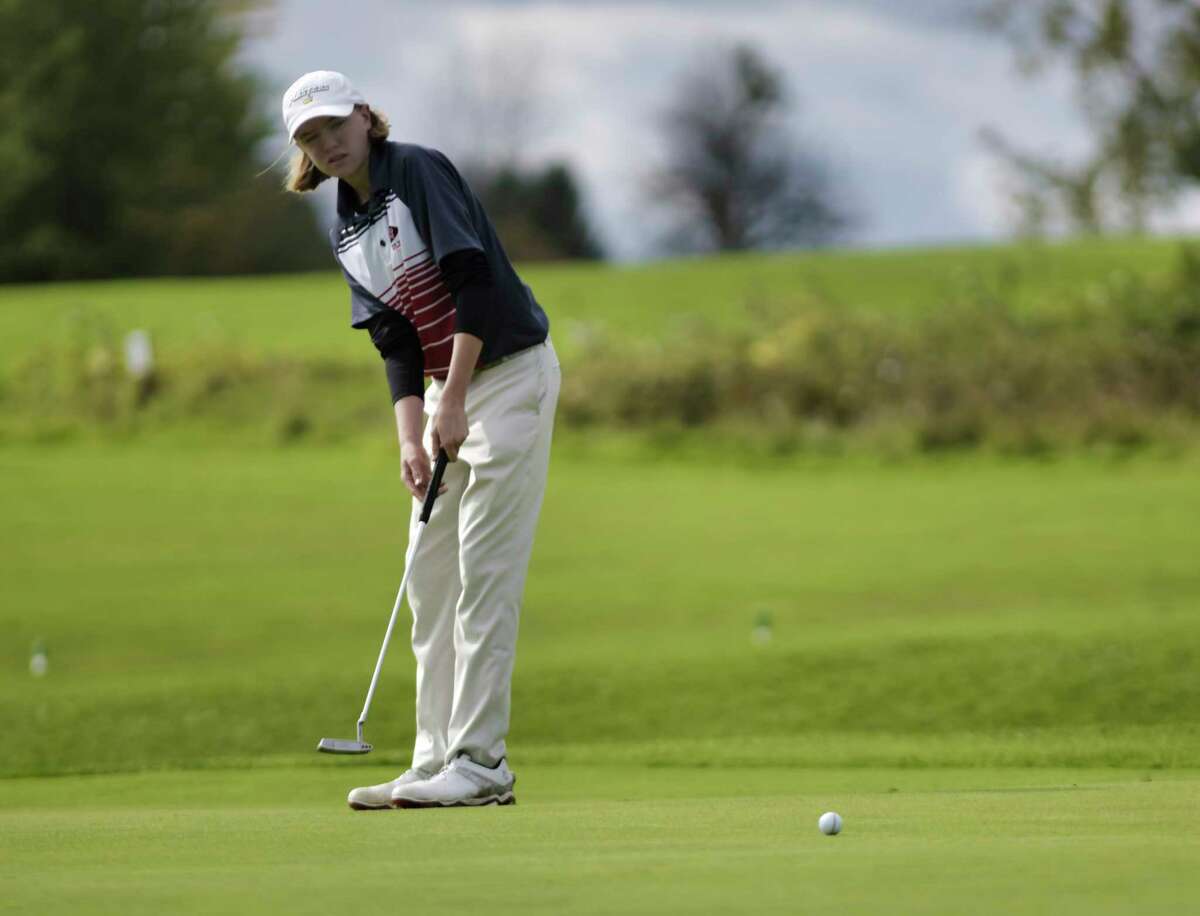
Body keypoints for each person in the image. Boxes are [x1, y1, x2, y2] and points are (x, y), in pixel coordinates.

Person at [281, 70, 560, 809]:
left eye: (336, 124)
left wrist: (457, 396)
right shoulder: (345, 225)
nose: (328, 141)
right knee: (427, 581)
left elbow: (475, 284)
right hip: (448, 393)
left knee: (482, 573)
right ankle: (433, 759)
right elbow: (394, 337)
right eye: (311, 136)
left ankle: (481, 762)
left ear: (366, 117)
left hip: (505, 376)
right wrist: (412, 435)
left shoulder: (417, 171)